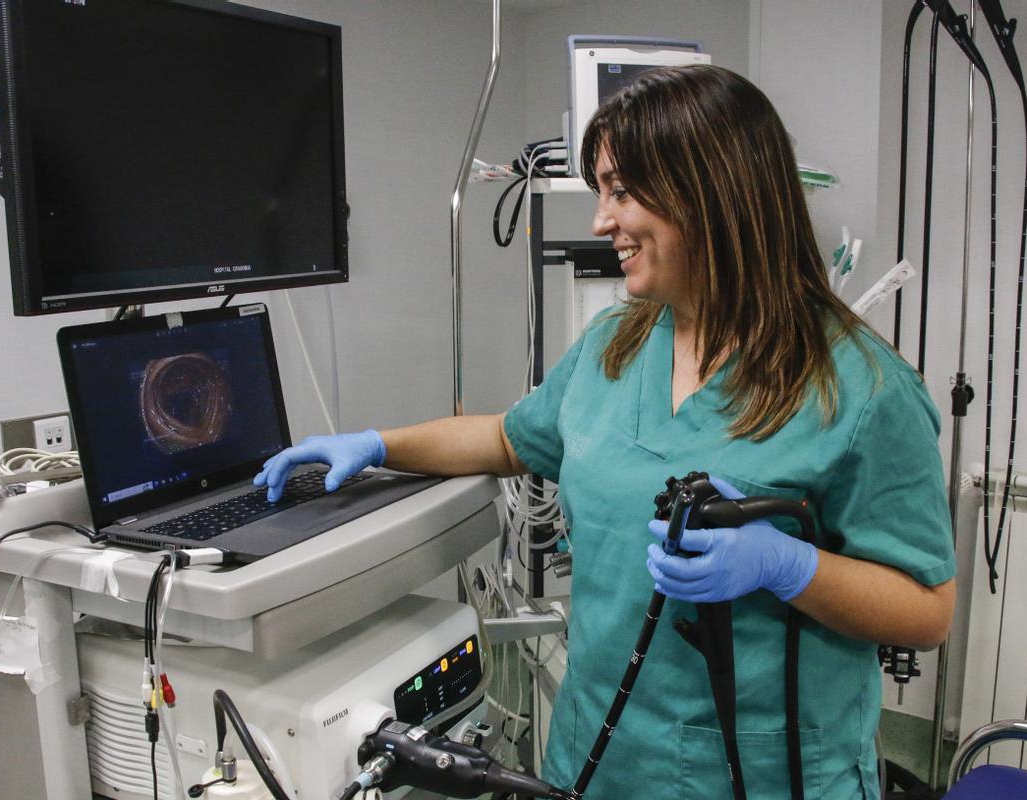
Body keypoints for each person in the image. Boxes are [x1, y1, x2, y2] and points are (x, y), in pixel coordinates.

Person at [256, 64, 955, 800]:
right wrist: (375, 444)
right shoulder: (615, 344)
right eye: (599, 191)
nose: (599, 221)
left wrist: (789, 567)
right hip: (598, 755)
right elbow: (508, 438)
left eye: (620, 190)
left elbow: (927, 610)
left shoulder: (861, 387)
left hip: (760, 774)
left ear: (712, 188)